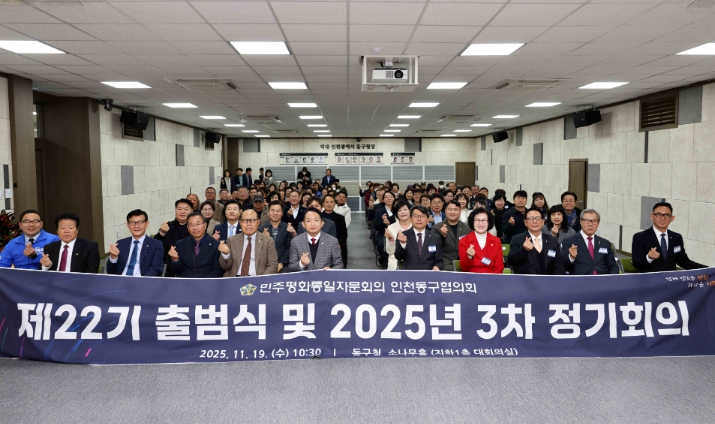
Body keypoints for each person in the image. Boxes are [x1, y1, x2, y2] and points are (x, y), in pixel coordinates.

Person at [632, 202, 705, 272]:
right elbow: (636, 263)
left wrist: (706, 269)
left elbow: (683, 261)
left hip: (670, 279)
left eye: (667, 215)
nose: (663, 218)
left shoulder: (677, 237)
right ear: (652, 216)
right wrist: (649, 258)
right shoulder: (640, 237)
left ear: (672, 218)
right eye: (659, 215)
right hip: (649, 279)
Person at [218, 209, 278, 277]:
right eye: (245, 221)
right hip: (235, 278)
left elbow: (273, 265)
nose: (248, 224)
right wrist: (226, 254)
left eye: (252, 220)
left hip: (257, 278)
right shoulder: (232, 240)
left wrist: (261, 280)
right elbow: (225, 267)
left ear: (258, 222)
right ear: (240, 223)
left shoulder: (268, 241)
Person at [106, 209, 164, 276]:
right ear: (128, 225)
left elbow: (156, 269)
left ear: (147, 224)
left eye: (140, 222)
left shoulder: (156, 245)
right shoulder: (121, 244)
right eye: (132, 223)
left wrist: (139, 281)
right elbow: (111, 272)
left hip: (142, 280)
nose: (136, 226)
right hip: (121, 280)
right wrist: (113, 258)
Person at [561, 209, 618, 275]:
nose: (590, 224)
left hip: (601, 279)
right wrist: (571, 257)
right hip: (581, 280)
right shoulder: (569, 241)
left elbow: (613, 265)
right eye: (587, 221)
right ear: (581, 222)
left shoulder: (605, 243)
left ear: (598, 223)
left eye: (594, 221)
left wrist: (611, 278)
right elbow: (562, 266)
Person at [509, 208, 565, 275]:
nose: (534, 221)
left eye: (537, 218)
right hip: (525, 280)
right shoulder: (517, 239)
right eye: (531, 218)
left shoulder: (552, 240)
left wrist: (555, 279)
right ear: (525, 222)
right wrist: (524, 250)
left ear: (543, 221)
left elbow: (559, 265)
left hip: (548, 280)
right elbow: (511, 261)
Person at [168, 212, 223, 278]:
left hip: (207, 282)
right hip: (186, 282)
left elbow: (217, 270)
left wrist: (202, 282)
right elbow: (175, 271)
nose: (195, 228)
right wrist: (175, 260)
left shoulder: (215, 245)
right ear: (188, 227)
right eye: (191, 225)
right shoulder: (181, 244)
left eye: (198, 224)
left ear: (205, 225)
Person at [394, 205, 443, 271]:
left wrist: (437, 266)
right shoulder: (403, 235)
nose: (419, 219)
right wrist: (403, 244)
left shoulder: (435, 237)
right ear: (411, 219)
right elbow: (398, 257)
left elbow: (439, 261)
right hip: (409, 275)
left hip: (429, 274)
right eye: (416, 216)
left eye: (422, 216)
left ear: (428, 220)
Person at [458, 208, 504, 274]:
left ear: (489, 222)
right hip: (471, 277)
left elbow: (499, 266)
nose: (480, 223)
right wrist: (469, 257)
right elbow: (464, 268)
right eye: (477, 220)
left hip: (492, 277)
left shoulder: (496, 241)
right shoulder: (464, 241)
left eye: (484, 220)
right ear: (472, 222)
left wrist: (493, 278)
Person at [155, 198, 193, 277]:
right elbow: (155, 246)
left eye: (186, 209)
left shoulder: (195, 228)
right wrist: (161, 233)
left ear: (192, 211)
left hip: (188, 270)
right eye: (179, 209)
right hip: (167, 270)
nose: (182, 212)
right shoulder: (167, 226)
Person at [431, 200, 470, 271]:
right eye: (450, 209)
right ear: (445, 211)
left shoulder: (467, 228)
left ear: (460, 211)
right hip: (445, 263)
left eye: (455, 210)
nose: (452, 212)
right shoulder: (436, 227)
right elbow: (434, 248)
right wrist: (443, 236)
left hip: (464, 261)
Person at [258, 200, 295, 273]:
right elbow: (258, 250)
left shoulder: (287, 228)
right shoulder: (261, 229)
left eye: (278, 211)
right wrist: (264, 239)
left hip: (284, 265)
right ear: (268, 212)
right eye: (272, 211)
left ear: (282, 213)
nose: (275, 213)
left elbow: (290, 248)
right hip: (265, 265)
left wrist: (281, 263)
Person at [384, 199, 412, 270]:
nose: (403, 212)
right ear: (396, 214)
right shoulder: (391, 228)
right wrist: (390, 238)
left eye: (405, 209)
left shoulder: (417, 226)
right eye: (399, 210)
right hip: (396, 261)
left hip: (414, 260)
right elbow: (390, 251)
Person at [322, 194, 348, 267]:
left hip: (337, 246)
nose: (329, 204)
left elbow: (343, 234)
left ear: (335, 204)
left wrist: (339, 244)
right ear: (323, 204)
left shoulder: (340, 218)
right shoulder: (318, 217)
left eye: (331, 202)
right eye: (327, 202)